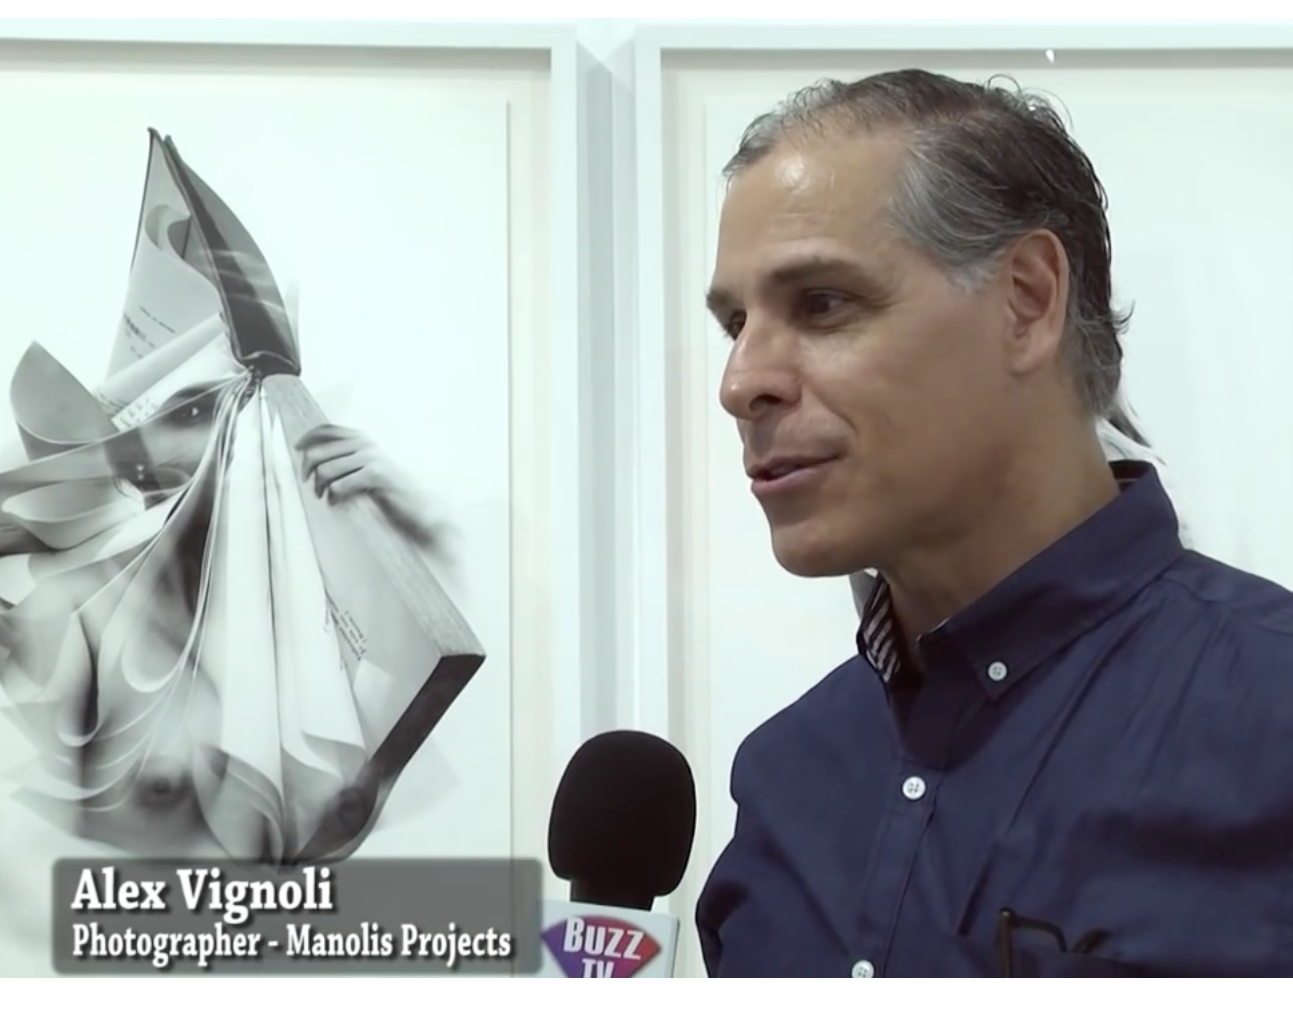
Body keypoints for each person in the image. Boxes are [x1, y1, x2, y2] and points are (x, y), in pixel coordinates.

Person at [695, 68, 1293, 977]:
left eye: (821, 303)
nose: (740, 383)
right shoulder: (782, 783)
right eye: (735, 322)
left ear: (1026, 299)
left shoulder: (1271, 723)